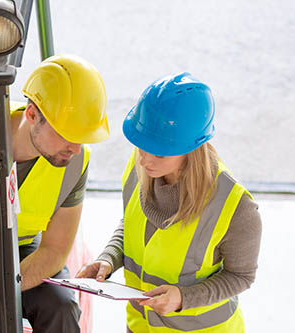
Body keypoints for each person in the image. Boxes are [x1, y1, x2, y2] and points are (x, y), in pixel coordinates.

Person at [77, 72, 262, 332]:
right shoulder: (142, 166)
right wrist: (109, 258)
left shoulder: (235, 207)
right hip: (141, 325)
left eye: (158, 153)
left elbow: (241, 276)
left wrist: (184, 298)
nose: (143, 160)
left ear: (190, 149)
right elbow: (132, 225)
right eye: (142, 147)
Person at [0, 54, 109, 332]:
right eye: (67, 133)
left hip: (18, 249)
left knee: (61, 306)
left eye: (82, 137)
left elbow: (54, 250)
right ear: (31, 115)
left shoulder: (74, 161)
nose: (75, 148)